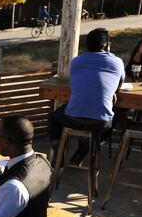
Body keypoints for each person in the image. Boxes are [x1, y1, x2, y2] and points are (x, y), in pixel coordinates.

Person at [48, 28, 124, 165]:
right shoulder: (117, 62)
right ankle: (84, 150)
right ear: (107, 46)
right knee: (114, 118)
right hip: (100, 123)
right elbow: (119, 85)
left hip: (73, 118)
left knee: (54, 118)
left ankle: (58, 153)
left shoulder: (77, 61)